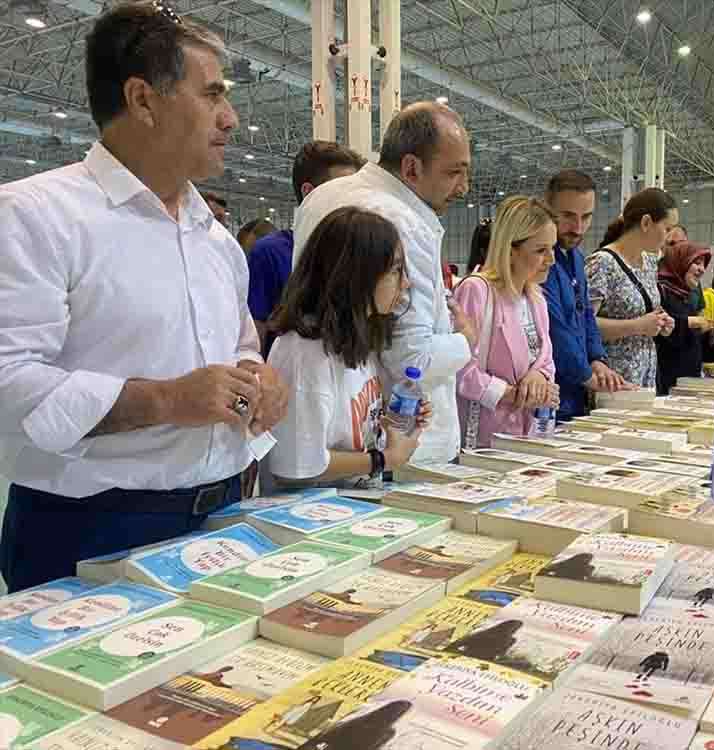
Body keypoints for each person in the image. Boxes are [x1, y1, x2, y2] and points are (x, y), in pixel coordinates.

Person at [0, 1, 288, 592]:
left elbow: (239, 345)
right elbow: (8, 383)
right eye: (212, 95)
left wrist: (259, 380)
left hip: (224, 515)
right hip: (94, 528)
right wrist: (163, 401)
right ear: (142, 100)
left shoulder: (213, 237)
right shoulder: (36, 216)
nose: (230, 118)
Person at [292, 102, 477, 462]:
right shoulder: (402, 219)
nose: (463, 187)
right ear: (411, 168)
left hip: (356, 424)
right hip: (398, 447)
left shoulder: (322, 197)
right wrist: (466, 340)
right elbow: (414, 363)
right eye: (455, 172)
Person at [267, 207, 430, 489]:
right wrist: (383, 459)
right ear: (356, 273)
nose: (405, 283)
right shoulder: (305, 351)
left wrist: (395, 421)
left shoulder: (356, 336)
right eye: (395, 270)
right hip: (308, 518)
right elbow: (296, 467)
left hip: (349, 509)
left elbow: (349, 433)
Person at [453, 197, 559, 448]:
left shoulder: (536, 299)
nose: (551, 259)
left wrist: (539, 377)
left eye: (552, 248)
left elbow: (546, 360)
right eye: (541, 250)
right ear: (511, 250)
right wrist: (509, 394)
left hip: (528, 433)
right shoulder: (476, 291)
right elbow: (460, 369)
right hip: (483, 440)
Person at [247, 140, 365, 356]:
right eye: (344, 190)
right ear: (309, 192)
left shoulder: (353, 253)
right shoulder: (271, 253)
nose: (354, 201)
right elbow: (255, 333)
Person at [541, 170, 630, 421]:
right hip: (550, 394)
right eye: (568, 216)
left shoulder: (578, 260)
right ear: (548, 208)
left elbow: (587, 316)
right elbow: (554, 327)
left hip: (576, 395)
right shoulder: (541, 262)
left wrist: (597, 359)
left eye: (586, 217)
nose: (578, 228)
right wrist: (588, 375)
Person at [585, 188, 677, 388]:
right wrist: (638, 326)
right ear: (646, 223)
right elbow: (585, 326)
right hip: (612, 382)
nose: (669, 237)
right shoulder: (602, 263)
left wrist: (660, 322)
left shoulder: (649, 261)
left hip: (645, 379)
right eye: (667, 228)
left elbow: (644, 310)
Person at [655, 241, 714, 394]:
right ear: (680, 262)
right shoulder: (660, 290)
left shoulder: (685, 294)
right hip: (667, 379)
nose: (702, 270)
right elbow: (659, 330)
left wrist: (710, 336)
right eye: (696, 262)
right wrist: (690, 322)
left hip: (688, 379)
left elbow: (690, 340)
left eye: (703, 265)